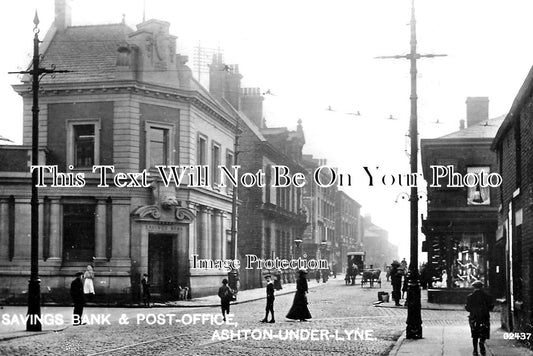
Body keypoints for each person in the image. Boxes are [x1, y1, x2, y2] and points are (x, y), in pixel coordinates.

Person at [466, 281, 494, 356]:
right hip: (484, 317)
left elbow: (468, 308)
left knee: (474, 334)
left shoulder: (470, 297)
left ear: (474, 287)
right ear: (482, 287)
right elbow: (491, 307)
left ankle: (475, 350)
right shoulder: (487, 296)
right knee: (484, 332)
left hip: (474, 318)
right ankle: (482, 343)